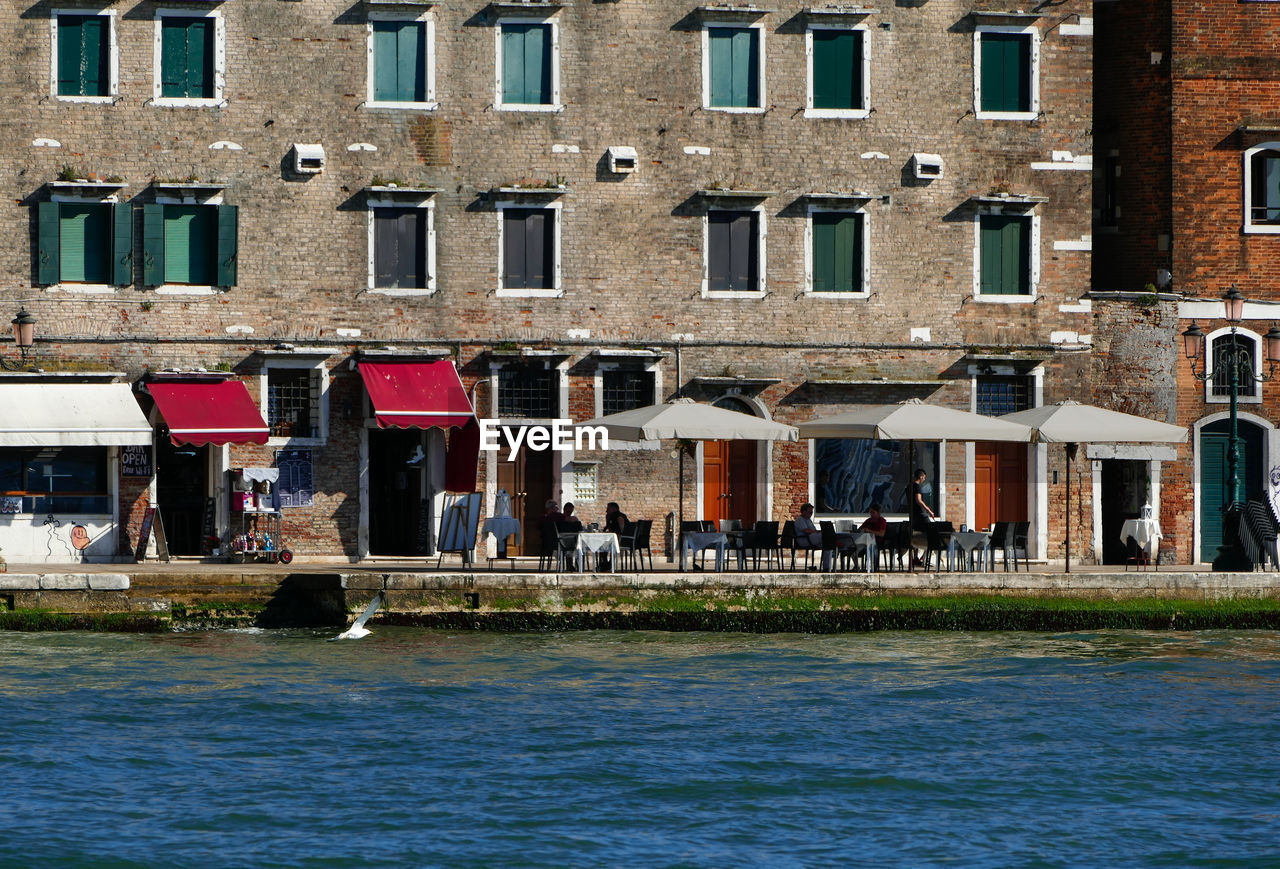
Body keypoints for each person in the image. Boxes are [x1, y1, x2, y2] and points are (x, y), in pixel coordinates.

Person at [910, 469, 937, 567]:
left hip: (913, 516)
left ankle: (915, 558)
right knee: (933, 533)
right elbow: (919, 500)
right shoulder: (917, 487)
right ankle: (924, 558)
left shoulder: (909, 486)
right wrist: (929, 510)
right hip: (921, 514)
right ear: (921, 477)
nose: (924, 480)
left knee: (916, 535)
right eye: (924, 478)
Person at [599, 502, 628, 570]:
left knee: (608, 545)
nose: (606, 511)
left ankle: (609, 563)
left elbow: (622, 531)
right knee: (603, 545)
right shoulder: (610, 517)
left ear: (614, 509)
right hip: (613, 538)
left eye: (608, 509)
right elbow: (609, 529)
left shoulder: (619, 516)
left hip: (622, 539)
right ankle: (605, 563)